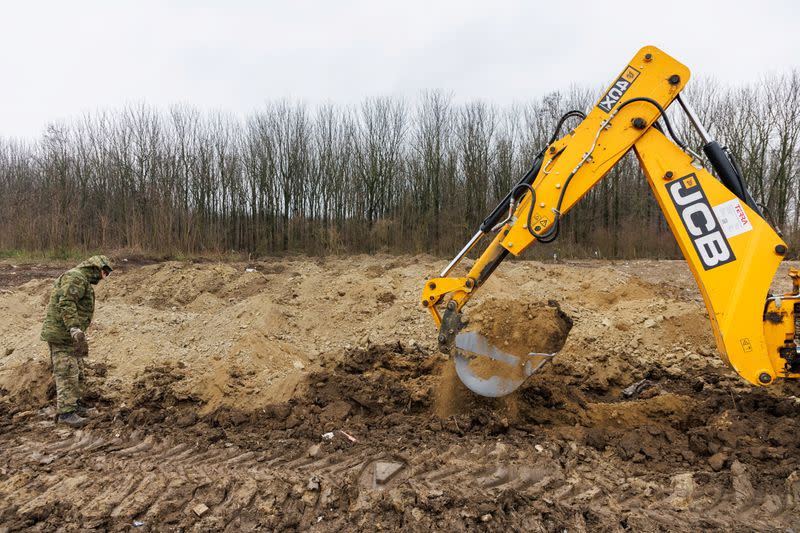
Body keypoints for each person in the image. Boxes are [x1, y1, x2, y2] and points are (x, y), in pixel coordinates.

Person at [40, 255, 113, 427]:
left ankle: (76, 404)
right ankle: (66, 413)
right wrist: (74, 327)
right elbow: (67, 302)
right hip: (63, 335)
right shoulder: (75, 277)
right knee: (67, 372)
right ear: (95, 268)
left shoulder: (82, 279)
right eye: (104, 272)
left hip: (71, 336)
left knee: (79, 371)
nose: (104, 277)